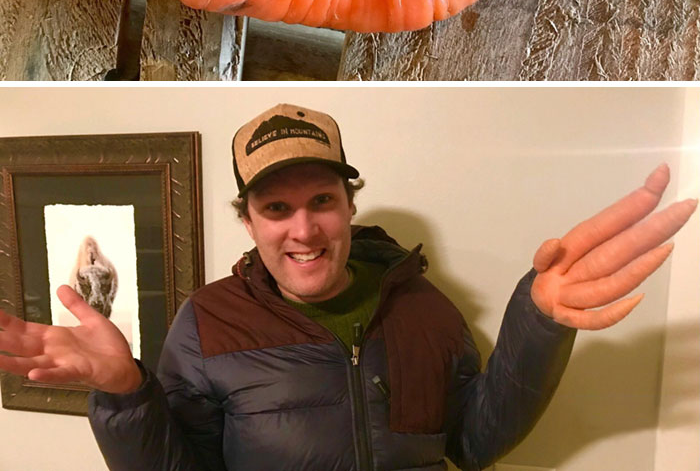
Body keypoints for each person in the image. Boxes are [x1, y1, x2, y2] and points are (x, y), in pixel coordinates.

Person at [0, 103, 696, 471]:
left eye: (322, 201)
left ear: (350, 205)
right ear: (248, 221)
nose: (303, 229)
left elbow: (474, 445)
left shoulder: (423, 306)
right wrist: (125, 394)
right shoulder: (208, 322)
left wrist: (538, 321)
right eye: (276, 208)